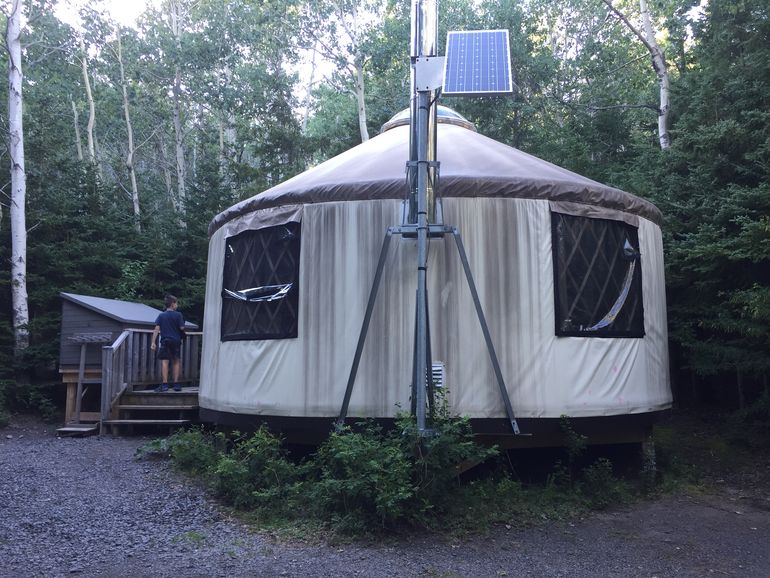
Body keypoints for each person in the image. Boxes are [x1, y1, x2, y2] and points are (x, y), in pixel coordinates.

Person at [151, 294, 186, 392]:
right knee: (176, 361)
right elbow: (182, 328)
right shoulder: (178, 315)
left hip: (165, 341)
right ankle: (176, 384)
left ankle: (165, 384)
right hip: (176, 341)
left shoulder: (161, 315)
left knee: (165, 362)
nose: (177, 305)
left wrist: (153, 342)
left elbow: (157, 328)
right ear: (172, 304)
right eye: (176, 303)